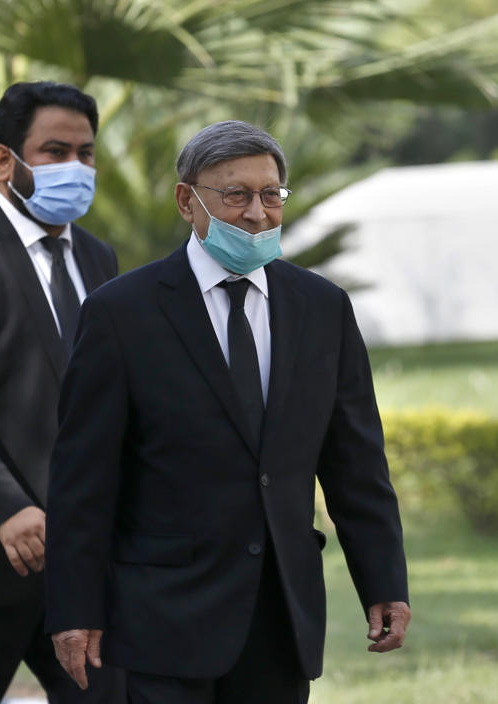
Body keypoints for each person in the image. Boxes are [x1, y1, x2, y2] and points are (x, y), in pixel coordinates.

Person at [45, 120, 410, 703]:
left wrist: (384, 581)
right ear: (187, 201)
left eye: (271, 195)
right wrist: (74, 608)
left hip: (280, 616)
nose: (257, 213)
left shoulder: (322, 308)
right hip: (160, 618)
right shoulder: (122, 312)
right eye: (235, 195)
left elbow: (356, 464)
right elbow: (82, 479)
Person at [0, 81, 125, 703]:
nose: (75, 167)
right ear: (3, 161)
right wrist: (5, 509)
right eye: (55, 150)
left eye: (86, 153)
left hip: (87, 573)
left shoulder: (100, 259)